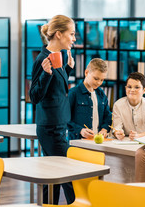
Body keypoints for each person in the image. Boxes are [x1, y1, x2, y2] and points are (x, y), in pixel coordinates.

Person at [29, 15, 75, 204]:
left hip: (59, 126)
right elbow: (34, 96)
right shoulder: (42, 59)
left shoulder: (60, 58)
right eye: (71, 34)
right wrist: (46, 75)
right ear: (58, 34)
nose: (73, 38)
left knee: (54, 178)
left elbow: (56, 91)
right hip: (50, 129)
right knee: (69, 175)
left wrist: (68, 70)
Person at [67, 58, 112, 140]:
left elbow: (108, 116)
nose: (98, 83)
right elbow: (64, 119)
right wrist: (80, 130)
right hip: (77, 142)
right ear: (86, 72)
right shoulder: (73, 93)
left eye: (102, 80)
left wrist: (104, 129)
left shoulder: (101, 94)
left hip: (97, 143)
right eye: (96, 78)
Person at [112, 72, 145, 140]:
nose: (132, 90)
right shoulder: (118, 105)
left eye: (137, 87)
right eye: (129, 87)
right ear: (125, 88)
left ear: (144, 90)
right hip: (124, 141)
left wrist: (138, 136)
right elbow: (116, 128)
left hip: (144, 140)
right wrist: (117, 133)